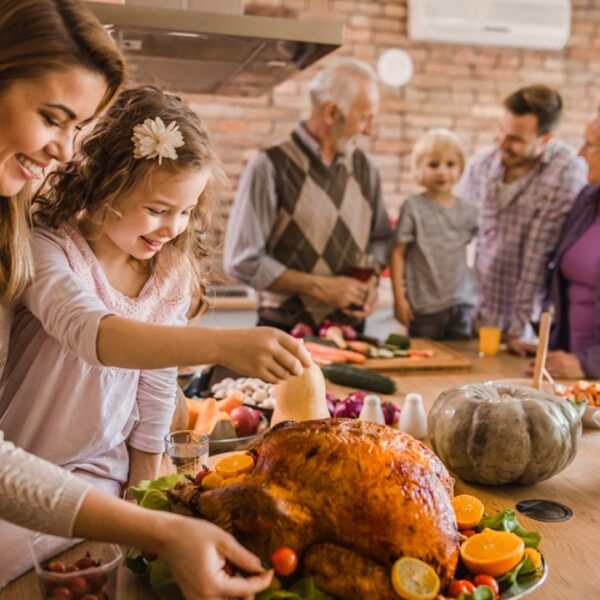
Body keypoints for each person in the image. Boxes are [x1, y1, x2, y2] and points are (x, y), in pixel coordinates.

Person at [0, 1, 275, 595]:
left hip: (101, 473)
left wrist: (146, 489)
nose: (171, 228)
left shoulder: (167, 274)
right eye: (157, 209)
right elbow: (93, 335)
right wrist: (224, 343)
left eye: (184, 213)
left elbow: (155, 386)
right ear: (108, 186)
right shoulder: (51, 250)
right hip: (25, 465)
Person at [224, 57, 394, 333]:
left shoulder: (366, 169)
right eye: (364, 118)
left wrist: (371, 282)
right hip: (284, 336)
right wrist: (323, 288)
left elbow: (381, 238)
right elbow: (243, 261)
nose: (370, 130)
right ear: (331, 113)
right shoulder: (269, 167)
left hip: (351, 334)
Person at [457, 84, 587, 355]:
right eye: (502, 132)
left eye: (515, 139)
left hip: (528, 327)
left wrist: (519, 326)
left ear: (546, 138)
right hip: (476, 317)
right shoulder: (482, 165)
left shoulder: (565, 169)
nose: (503, 144)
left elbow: (539, 253)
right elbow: (458, 234)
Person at [391, 129, 477, 339]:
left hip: (461, 303)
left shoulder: (469, 211)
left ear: (460, 169)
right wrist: (399, 298)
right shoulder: (413, 208)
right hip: (424, 307)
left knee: (462, 361)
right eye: (433, 164)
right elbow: (397, 253)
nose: (442, 172)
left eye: (450, 164)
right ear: (419, 168)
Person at [542, 110, 600, 379]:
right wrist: (552, 355)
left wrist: (588, 364)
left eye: (591, 145)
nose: (580, 154)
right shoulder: (587, 199)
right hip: (572, 370)